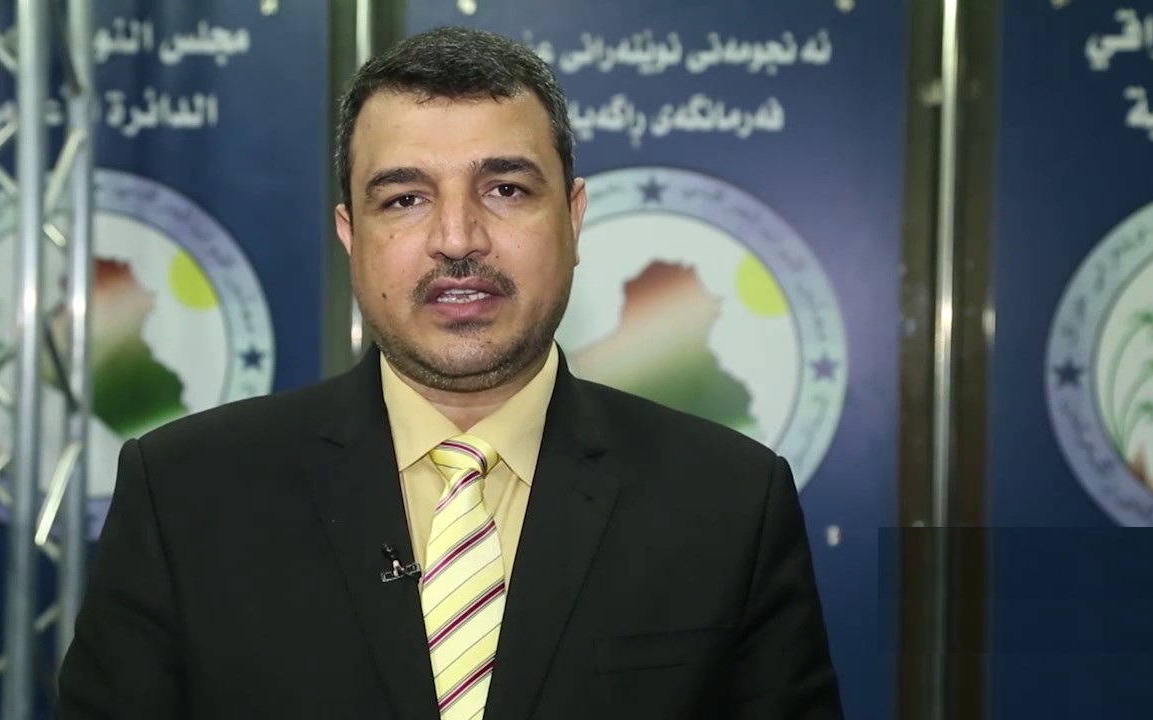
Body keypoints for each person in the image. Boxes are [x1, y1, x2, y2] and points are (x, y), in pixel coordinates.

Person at [57, 26, 844, 720]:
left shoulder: (730, 502)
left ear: (573, 220)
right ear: (350, 234)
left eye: (506, 189)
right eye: (405, 199)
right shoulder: (186, 495)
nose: (458, 238)